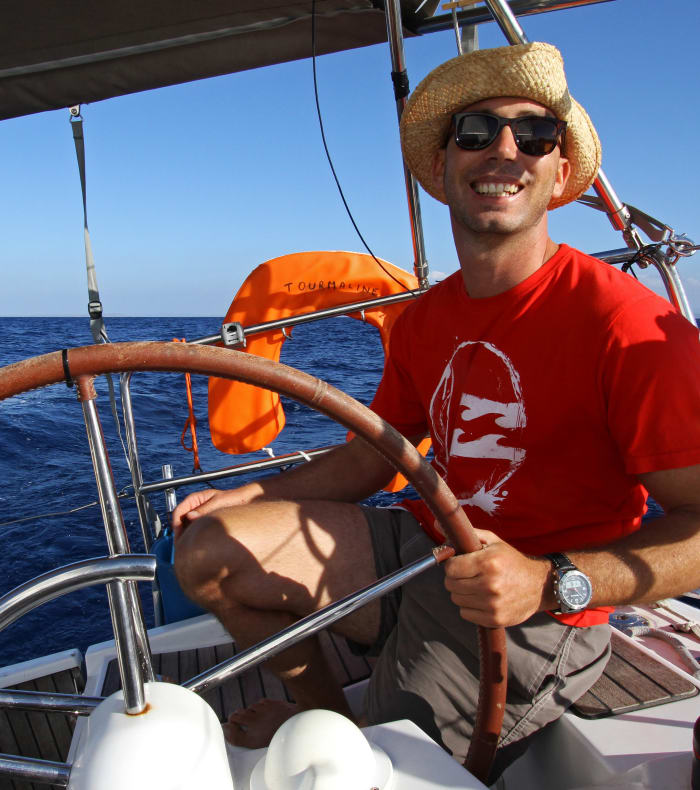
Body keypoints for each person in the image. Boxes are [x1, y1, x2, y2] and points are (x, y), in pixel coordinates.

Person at [173, 42, 700, 780]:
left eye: (535, 136)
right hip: (428, 551)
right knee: (210, 553)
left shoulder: (628, 329)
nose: (505, 151)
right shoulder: (427, 319)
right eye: (477, 133)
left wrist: (547, 582)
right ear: (445, 167)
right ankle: (323, 715)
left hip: (541, 613)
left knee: (374, 771)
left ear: (557, 176)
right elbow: (372, 458)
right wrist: (250, 495)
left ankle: (352, 736)